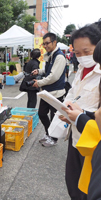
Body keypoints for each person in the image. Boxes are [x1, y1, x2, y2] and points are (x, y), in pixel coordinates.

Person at [58, 25, 101, 200]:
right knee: (73, 183)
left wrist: (80, 116)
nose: (82, 57)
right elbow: (73, 94)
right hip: (75, 135)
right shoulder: (80, 70)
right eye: (77, 53)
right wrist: (64, 107)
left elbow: (97, 114)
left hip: (92, 141)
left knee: (87, 188)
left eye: (86, 51)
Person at [31, 32, 66, 147]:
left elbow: (54, 76)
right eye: (43, 43)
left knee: (54, 117)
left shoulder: (59, 57)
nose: (45, 46)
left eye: (47, 43)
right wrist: (39, 71)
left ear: (54, 42)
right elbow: (48, 70)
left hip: (56, 93)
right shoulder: (50, 55)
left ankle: (53, 139)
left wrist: (39, 82)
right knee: (41, 113)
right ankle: (48, 133)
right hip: (47, 92)